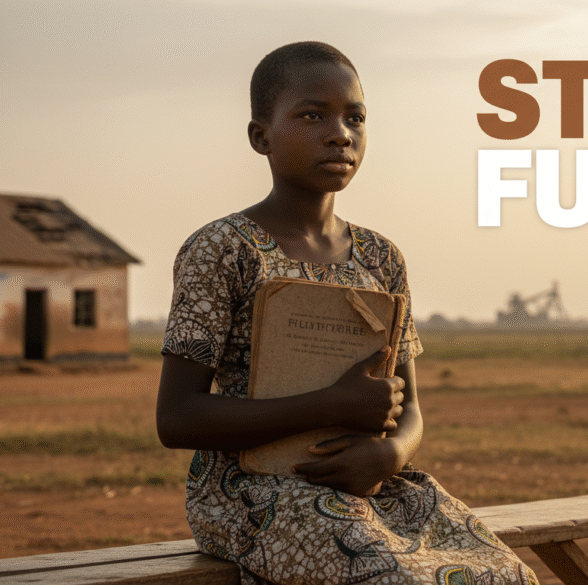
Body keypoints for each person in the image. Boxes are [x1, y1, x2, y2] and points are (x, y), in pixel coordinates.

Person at [156, 41, 538, 585]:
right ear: (260, 136)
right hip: (256, 494)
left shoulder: (381, 258)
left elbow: (409, 406)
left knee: (507, 575)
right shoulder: (222, 249)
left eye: (354, 116)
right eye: (312, 115)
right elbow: (176, 418)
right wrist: (330, 404)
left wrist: (392, 455)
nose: (340, 132)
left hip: (372, 484)